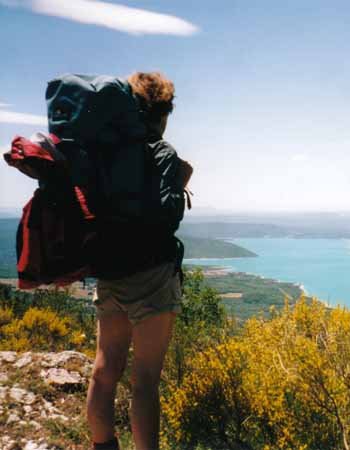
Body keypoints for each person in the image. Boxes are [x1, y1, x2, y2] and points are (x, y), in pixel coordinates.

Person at [86, 72, 192, 450]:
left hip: (109, 271)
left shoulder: (104, 152)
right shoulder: (161, 152)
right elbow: (167, 216)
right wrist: (180, 183)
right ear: (163, 112)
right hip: (151, 276)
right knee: (145, 381)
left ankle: (103, 445)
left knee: (104, 369)